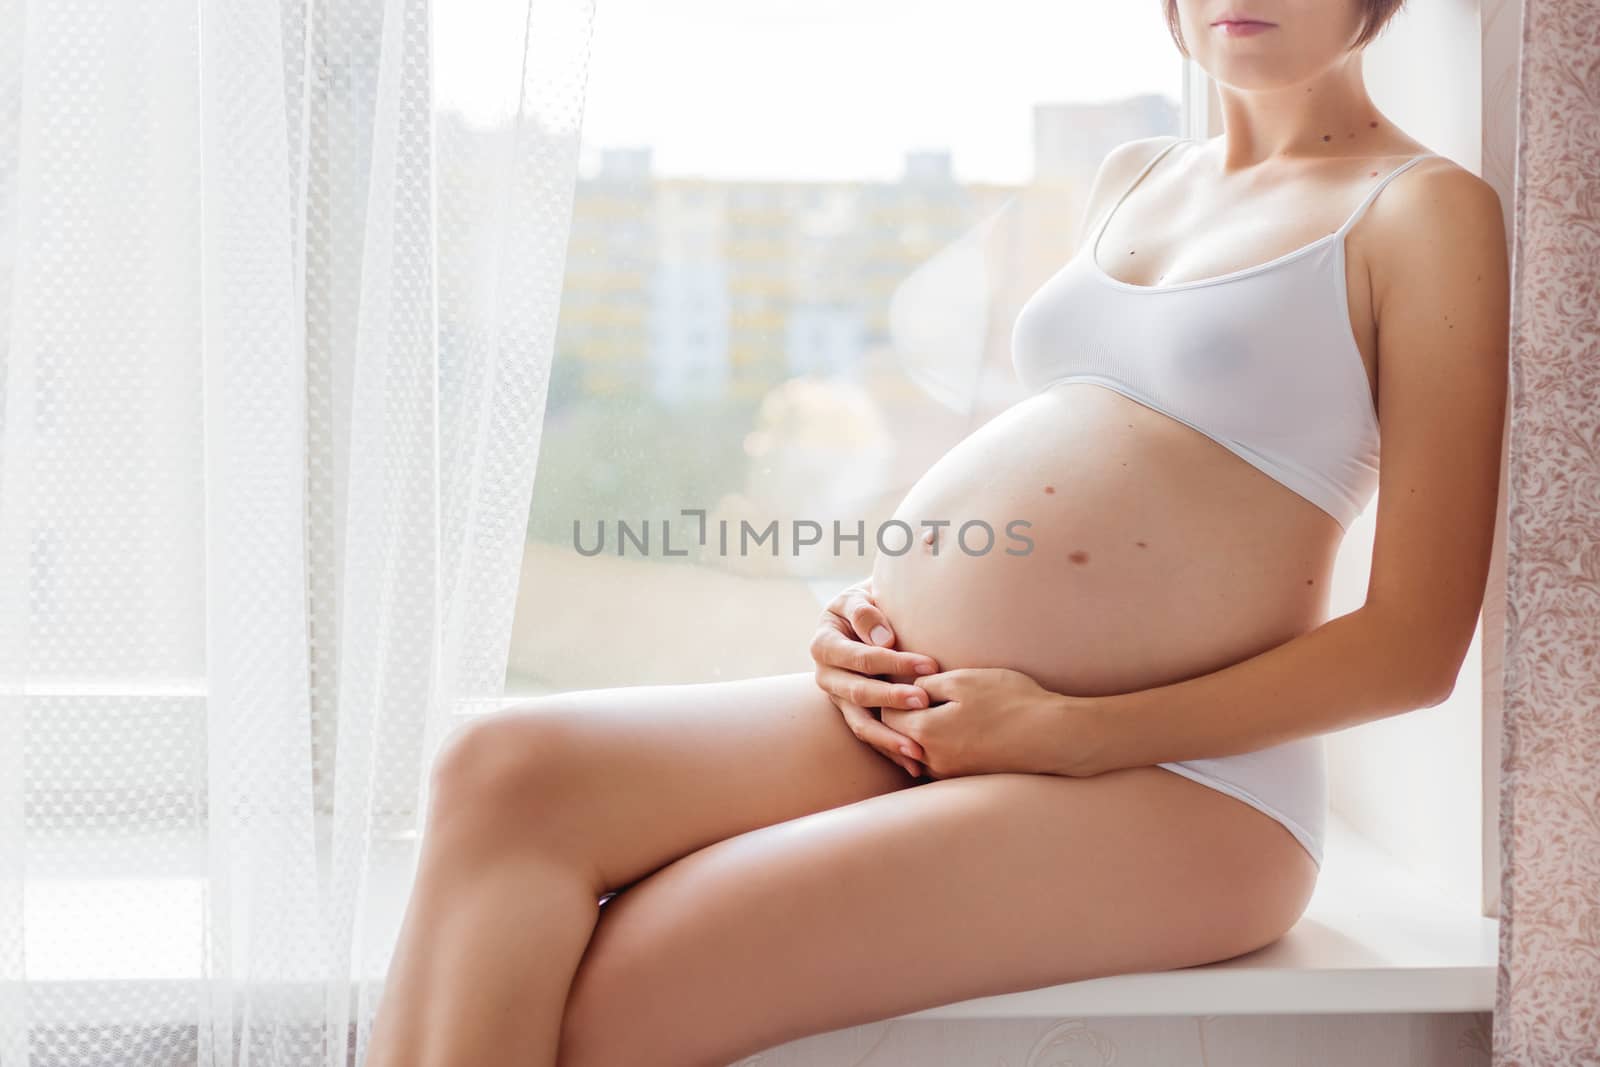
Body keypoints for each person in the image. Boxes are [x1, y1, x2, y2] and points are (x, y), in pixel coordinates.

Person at [366, 2, 1508, 1063]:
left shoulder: (1419, 208)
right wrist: (864, 615)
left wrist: (1072, 731)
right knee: (500, 769)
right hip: (930, 709)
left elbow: (1413, 647)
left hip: (1180, 781)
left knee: (613, 978)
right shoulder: (1136, 175)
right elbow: (1071, 451)